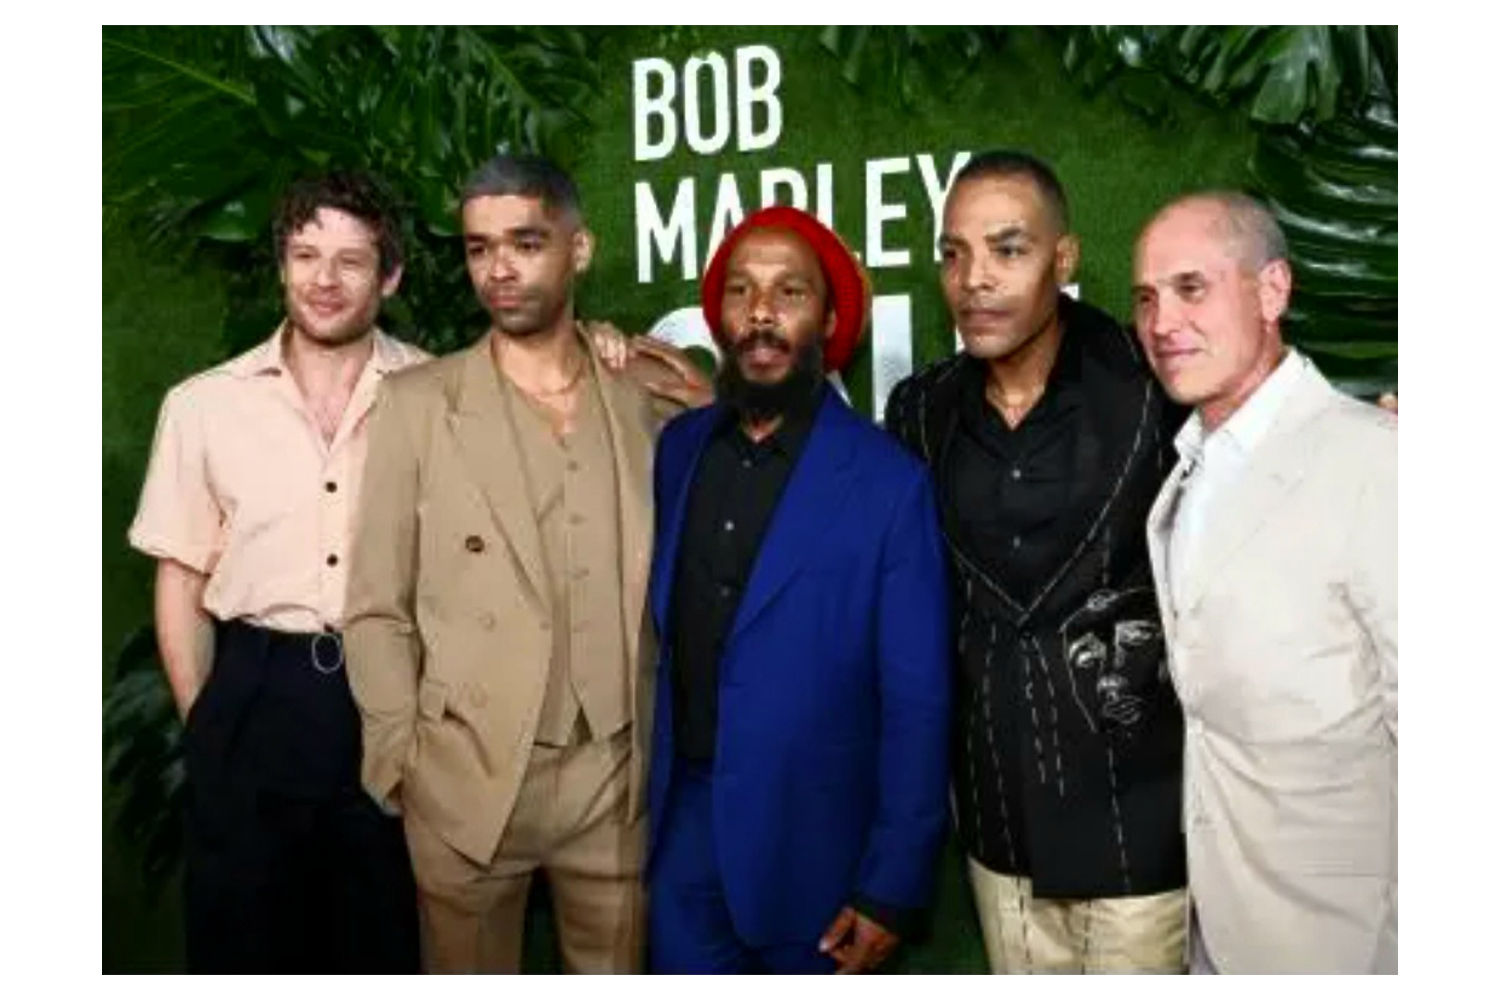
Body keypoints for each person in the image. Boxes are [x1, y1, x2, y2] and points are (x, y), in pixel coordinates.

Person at [342, 152, 706, 973]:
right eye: (479, 248)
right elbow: (375, 604)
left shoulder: (645, 396)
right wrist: (402, 763)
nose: (498, 269)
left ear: (579, 249)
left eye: (525, 243)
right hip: (465, 780)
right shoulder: (417, 405)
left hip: (616, 778)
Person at [883, 151, 1189, 973]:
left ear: (1065, 258)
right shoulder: (919, 411)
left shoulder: (1156, 382)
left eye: (1008, 249)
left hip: (1140, 826)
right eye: (954, 254)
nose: (974, 279)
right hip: (999, 829)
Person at [128, 170, 426, 972]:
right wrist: (208, 727)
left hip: (388, 700)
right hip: (253, 695)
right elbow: (181, 580)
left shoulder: (437, 395)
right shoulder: (203, 406)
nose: (324, 280)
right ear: (282, 265)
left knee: (383, 947)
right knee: (243, 950)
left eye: (351, 260)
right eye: (305, 255)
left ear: (389, 277)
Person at [645, 205, 952, 974]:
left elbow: (918, 701)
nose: (761, 313)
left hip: (817, 855)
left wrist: (891, 885)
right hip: (684, 834)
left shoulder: (889, 483)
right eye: (741, 290)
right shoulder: (679, 449)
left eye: (790, 292)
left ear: (831, 319)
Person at [1133, 191, 1396, 974]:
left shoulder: (1376, 461)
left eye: (1191, 288)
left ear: (1272, 291)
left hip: (1355, 944)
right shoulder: (1191, 465)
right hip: (1220, 926)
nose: (1163, 322)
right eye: (1146, 298)